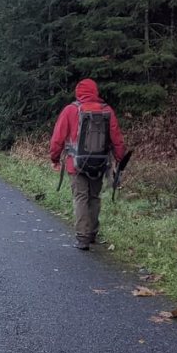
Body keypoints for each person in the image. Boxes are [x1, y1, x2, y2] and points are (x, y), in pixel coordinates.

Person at [49, 78, 126, 250]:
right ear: (95, 92)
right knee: (94, 197)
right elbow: (117, 140)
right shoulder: (107, 111)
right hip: (100, 164)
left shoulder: (70, 110)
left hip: (75, 164)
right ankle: (92, 233)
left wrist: (54, 159)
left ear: (78, 92)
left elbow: (57, 139)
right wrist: (119, 160)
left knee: (81, 197)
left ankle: (83, 237)